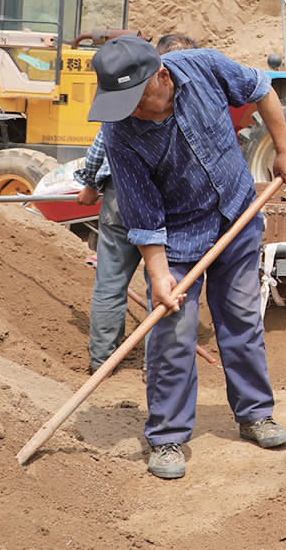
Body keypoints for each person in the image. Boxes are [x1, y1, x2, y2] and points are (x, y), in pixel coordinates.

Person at [89, 35, 286, 481]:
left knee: (242, 319)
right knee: (172, 334)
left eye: (136, 99)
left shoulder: (203, 66)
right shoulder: (120, 132)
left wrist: (284, 150)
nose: (130, 110)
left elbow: (261, 89)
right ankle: (166, 436)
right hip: (179, 239)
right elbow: (141, 210)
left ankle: (255, 414)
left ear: (161, 78)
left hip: (238, 216)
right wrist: (160, 275)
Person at [76, 34, 198, 373]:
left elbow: (100, 144)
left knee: (110, 282)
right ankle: (154, 366)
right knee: (159, 282)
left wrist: (88, 182)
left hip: (116, 197)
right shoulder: (157, 99)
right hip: (159, 204)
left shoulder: (125, 101)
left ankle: (102, 361)